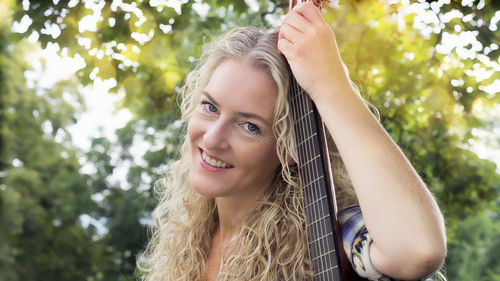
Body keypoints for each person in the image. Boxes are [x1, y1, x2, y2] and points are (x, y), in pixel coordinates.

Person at [140, 2, 447, 281]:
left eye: (249, 126)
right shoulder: (188, 235)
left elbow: (418, 251)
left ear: (288, 149)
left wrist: (331, 83)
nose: (213, 137)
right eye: (210, 107)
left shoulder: (330, 234)